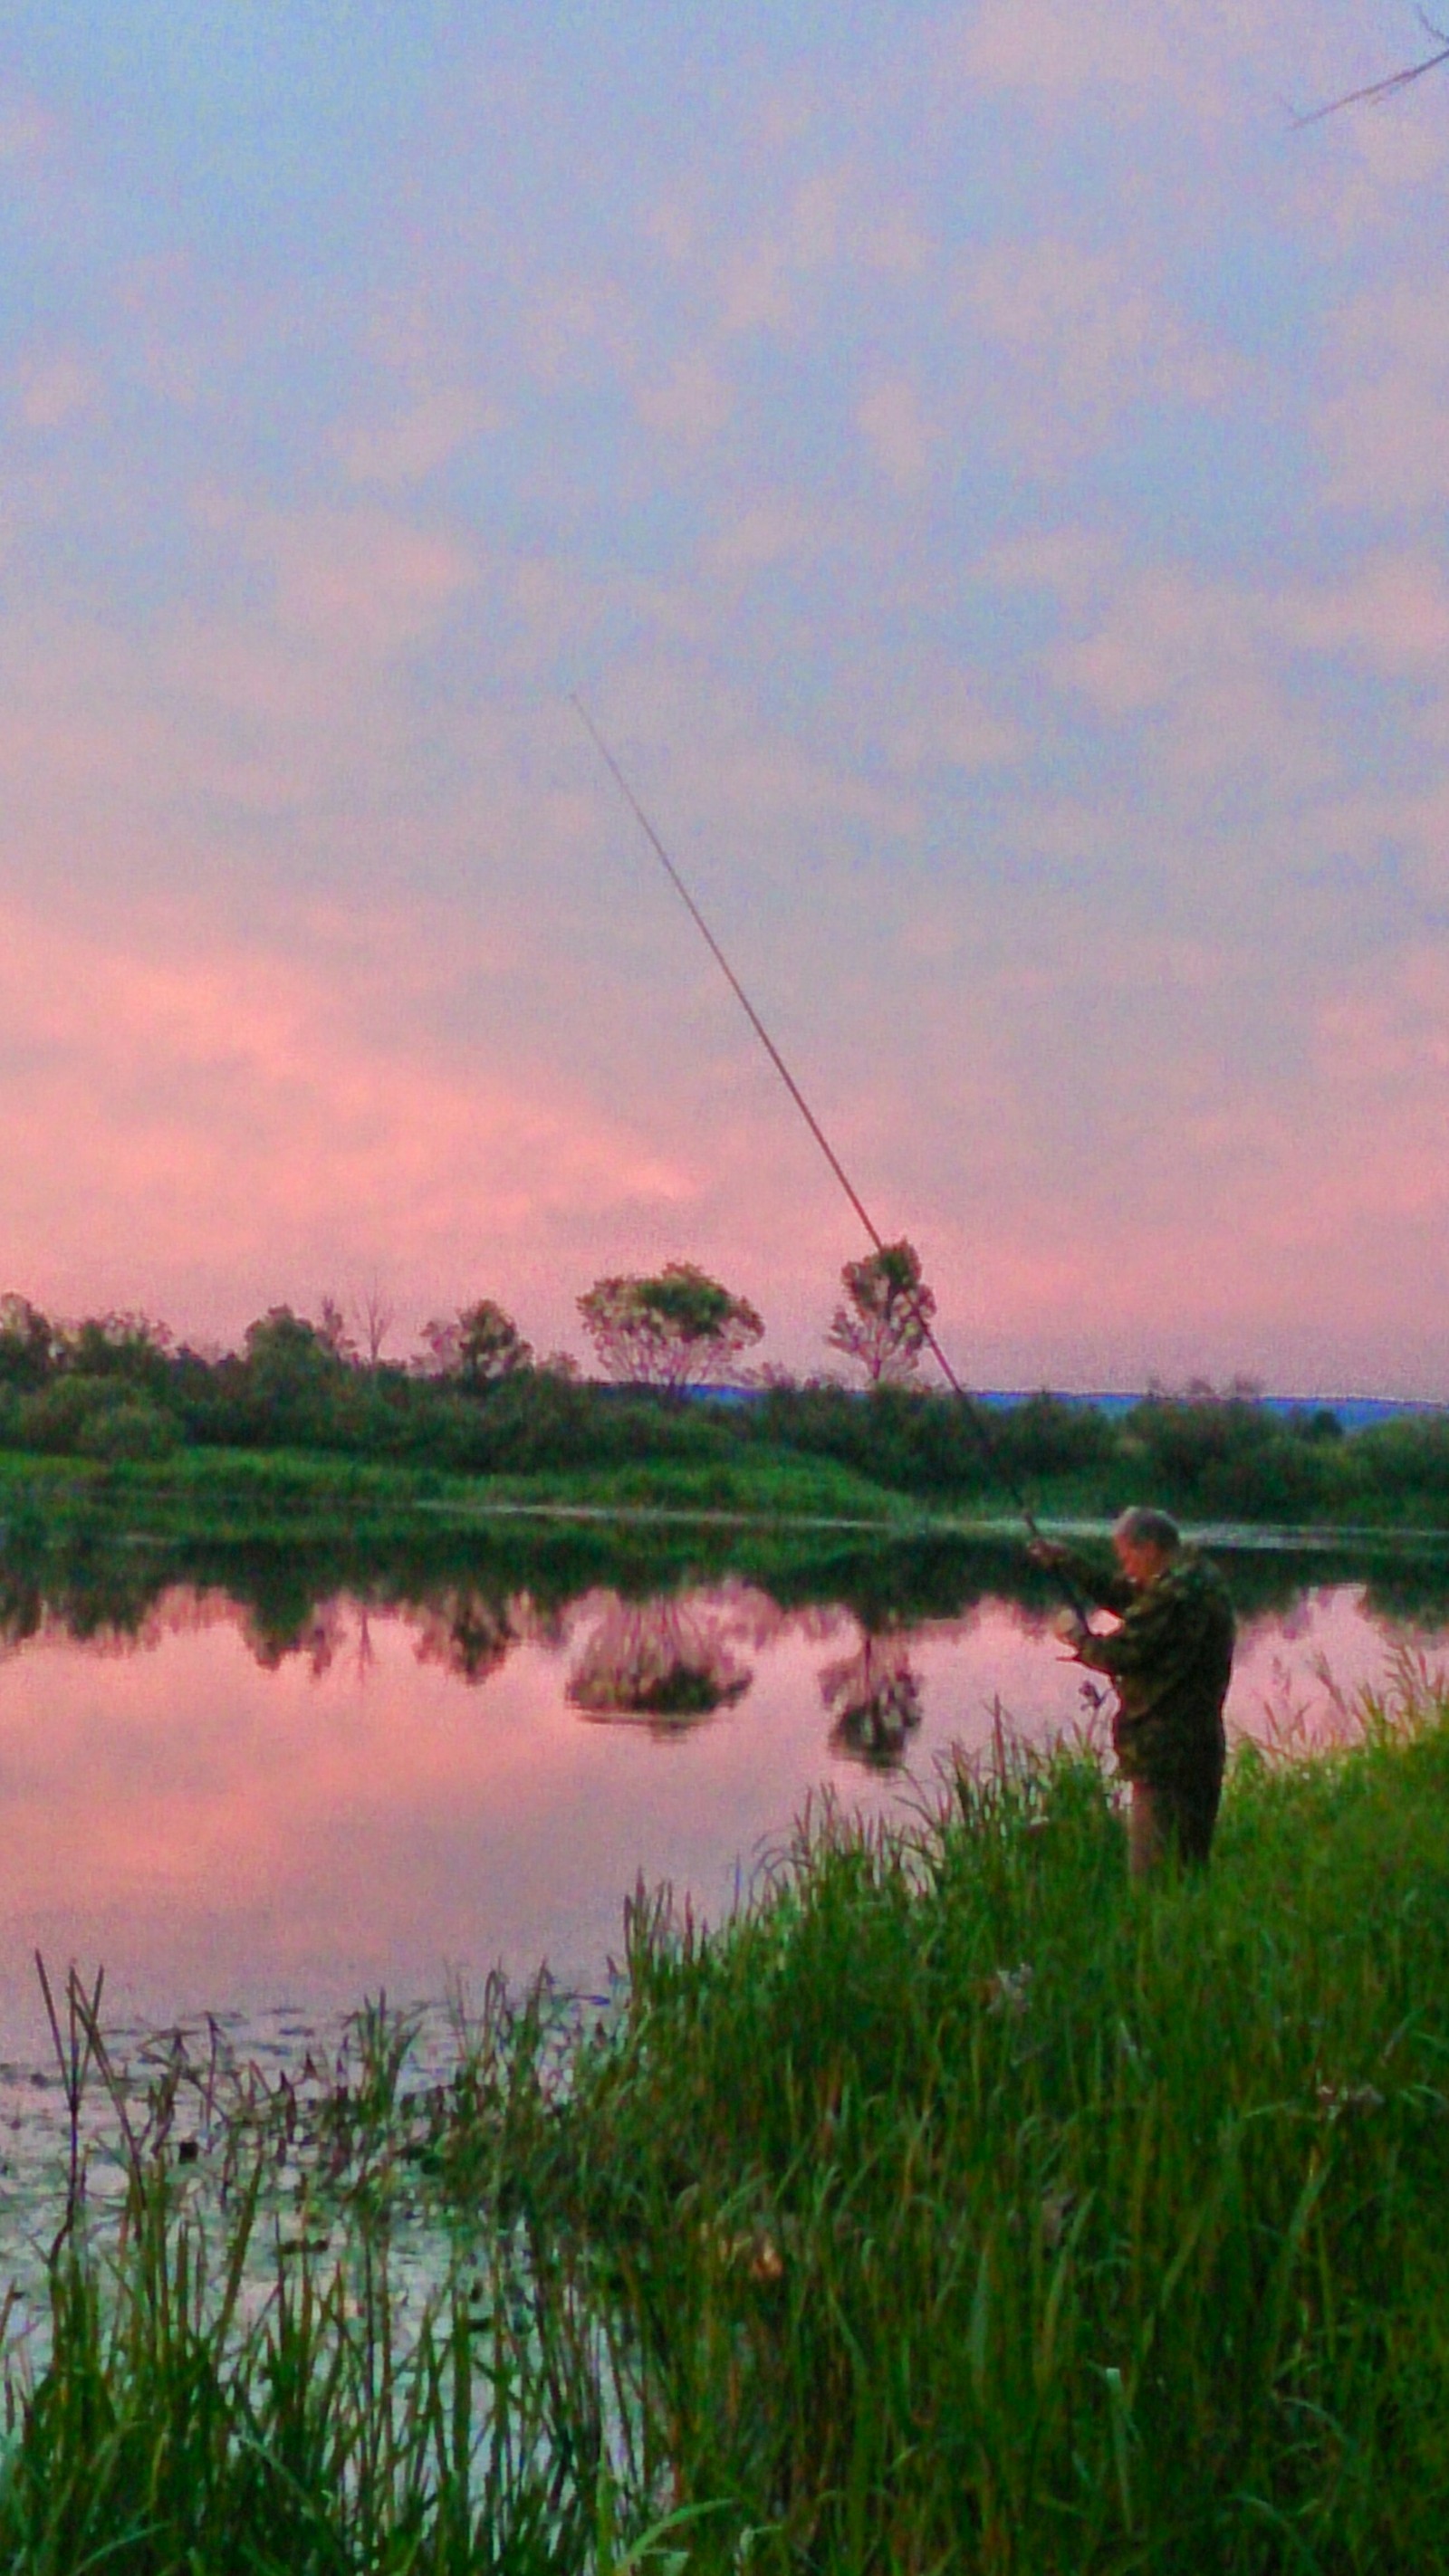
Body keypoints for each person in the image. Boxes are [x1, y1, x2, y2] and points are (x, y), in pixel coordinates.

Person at [1031, 1508, 1235, 1880]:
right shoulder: (1198, 1577)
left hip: (1165, 1754)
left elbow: (1118, 1654)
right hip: (1198, 1747)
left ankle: (1158, 1937)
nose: (1125, 1569)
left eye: (1126, 1557)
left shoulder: (1175, 1594)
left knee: (1152, 1878)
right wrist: (1070, 1563)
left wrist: (1076, 1635)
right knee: (1190, 1873)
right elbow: (1133, 1598)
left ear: (1150, 1548)